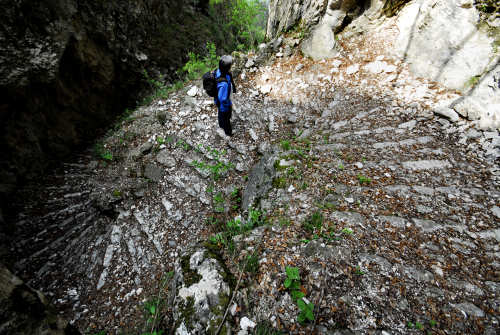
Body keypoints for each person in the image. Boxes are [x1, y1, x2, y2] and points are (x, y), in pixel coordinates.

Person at [215, 55, 236, 137]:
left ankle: (221, 126)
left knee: (221, 115)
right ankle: (228, 132)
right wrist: (229, 104)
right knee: (225, 118)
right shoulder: (223, 84)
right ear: (227, 68)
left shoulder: (218, 71)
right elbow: (222, 99)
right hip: (224, 106)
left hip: (219, 102)